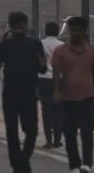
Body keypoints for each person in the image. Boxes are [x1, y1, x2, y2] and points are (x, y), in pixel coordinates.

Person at [0, 12, 46, 173]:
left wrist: (42, 62)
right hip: (10, 93)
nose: (19, 29)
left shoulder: (35, 44)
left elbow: (42, 68)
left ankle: (22, 161)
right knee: (12, 131)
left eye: (22, 26)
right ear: (11, 27)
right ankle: (18, 166)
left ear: (26, 26)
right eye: (16, 27)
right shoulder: (5, 45)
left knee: (32, 131)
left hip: (29, 93)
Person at [52, 16, 94, 172]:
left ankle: (87, 164)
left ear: (84, 31)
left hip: (86, 97)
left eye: (79, 30)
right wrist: (56, 92)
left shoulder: (92, 53)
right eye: (73, 30)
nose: (75, 33)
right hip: (67, 98)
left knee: (87, 132)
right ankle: (74, 164)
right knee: (69, 133)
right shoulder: (60, 52)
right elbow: (56, 73)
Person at [38, 21, 64, 149]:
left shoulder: (40, 44)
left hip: (43, 79)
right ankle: (57, 139)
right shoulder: (62, 46)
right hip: (58, 79)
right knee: (58, 110)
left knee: (46, 110)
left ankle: (48, 139)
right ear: (58, 31)